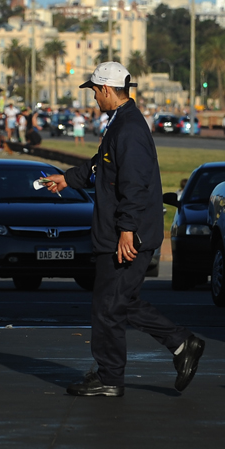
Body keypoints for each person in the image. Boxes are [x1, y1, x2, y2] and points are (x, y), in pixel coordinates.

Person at [42, 62, 205, 397]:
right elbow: (100, 163)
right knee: (119, 302)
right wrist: (68, 178)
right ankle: (180, 344)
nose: (93, 99)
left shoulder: (129, 128)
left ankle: (110, 378)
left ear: (104, 90)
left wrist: (126, 230)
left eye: (94, 92)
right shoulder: (120, 123)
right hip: (118, 231)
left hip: (126, 234)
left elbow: (135, 184)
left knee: (108, 307)